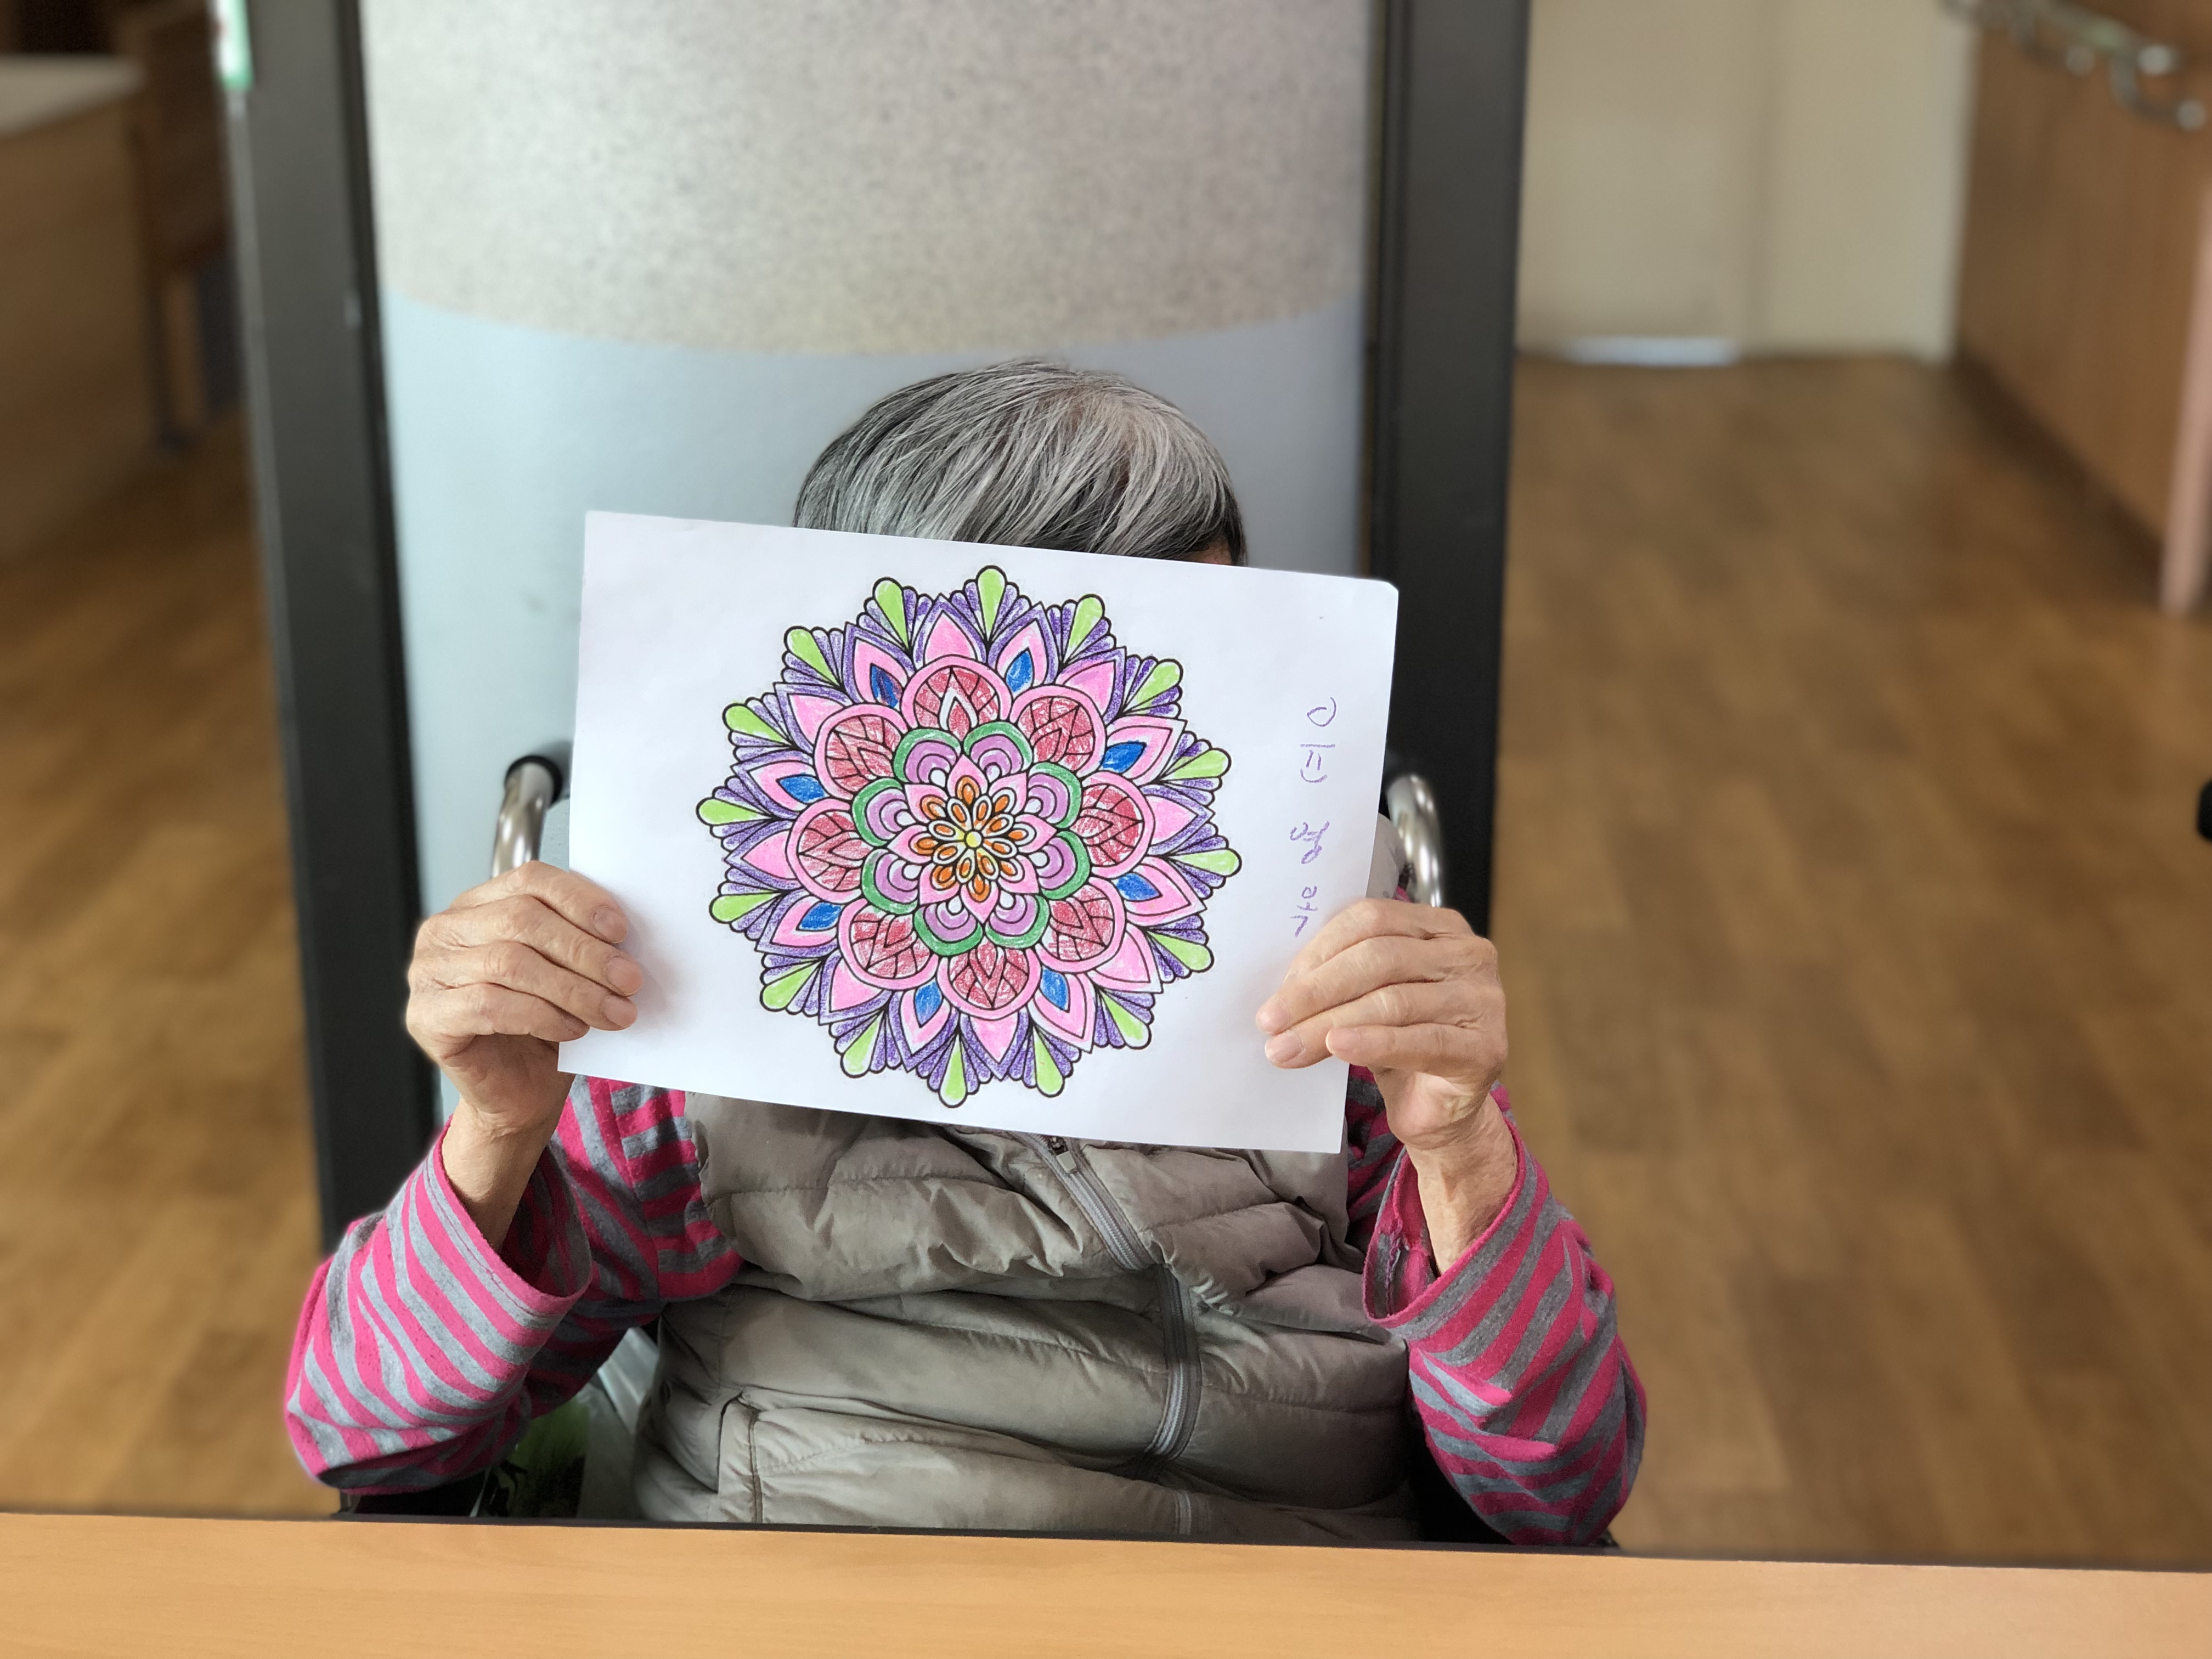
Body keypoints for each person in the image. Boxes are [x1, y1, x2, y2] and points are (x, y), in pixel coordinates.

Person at [285, 362, 1643, 1543]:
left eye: (1209, 672)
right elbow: (364, 1432)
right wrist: (497, 1133)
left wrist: (1460, 1153)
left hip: (1259, 1584)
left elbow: (1563, 1489)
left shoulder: (1346, 1036)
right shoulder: (685, 1066)